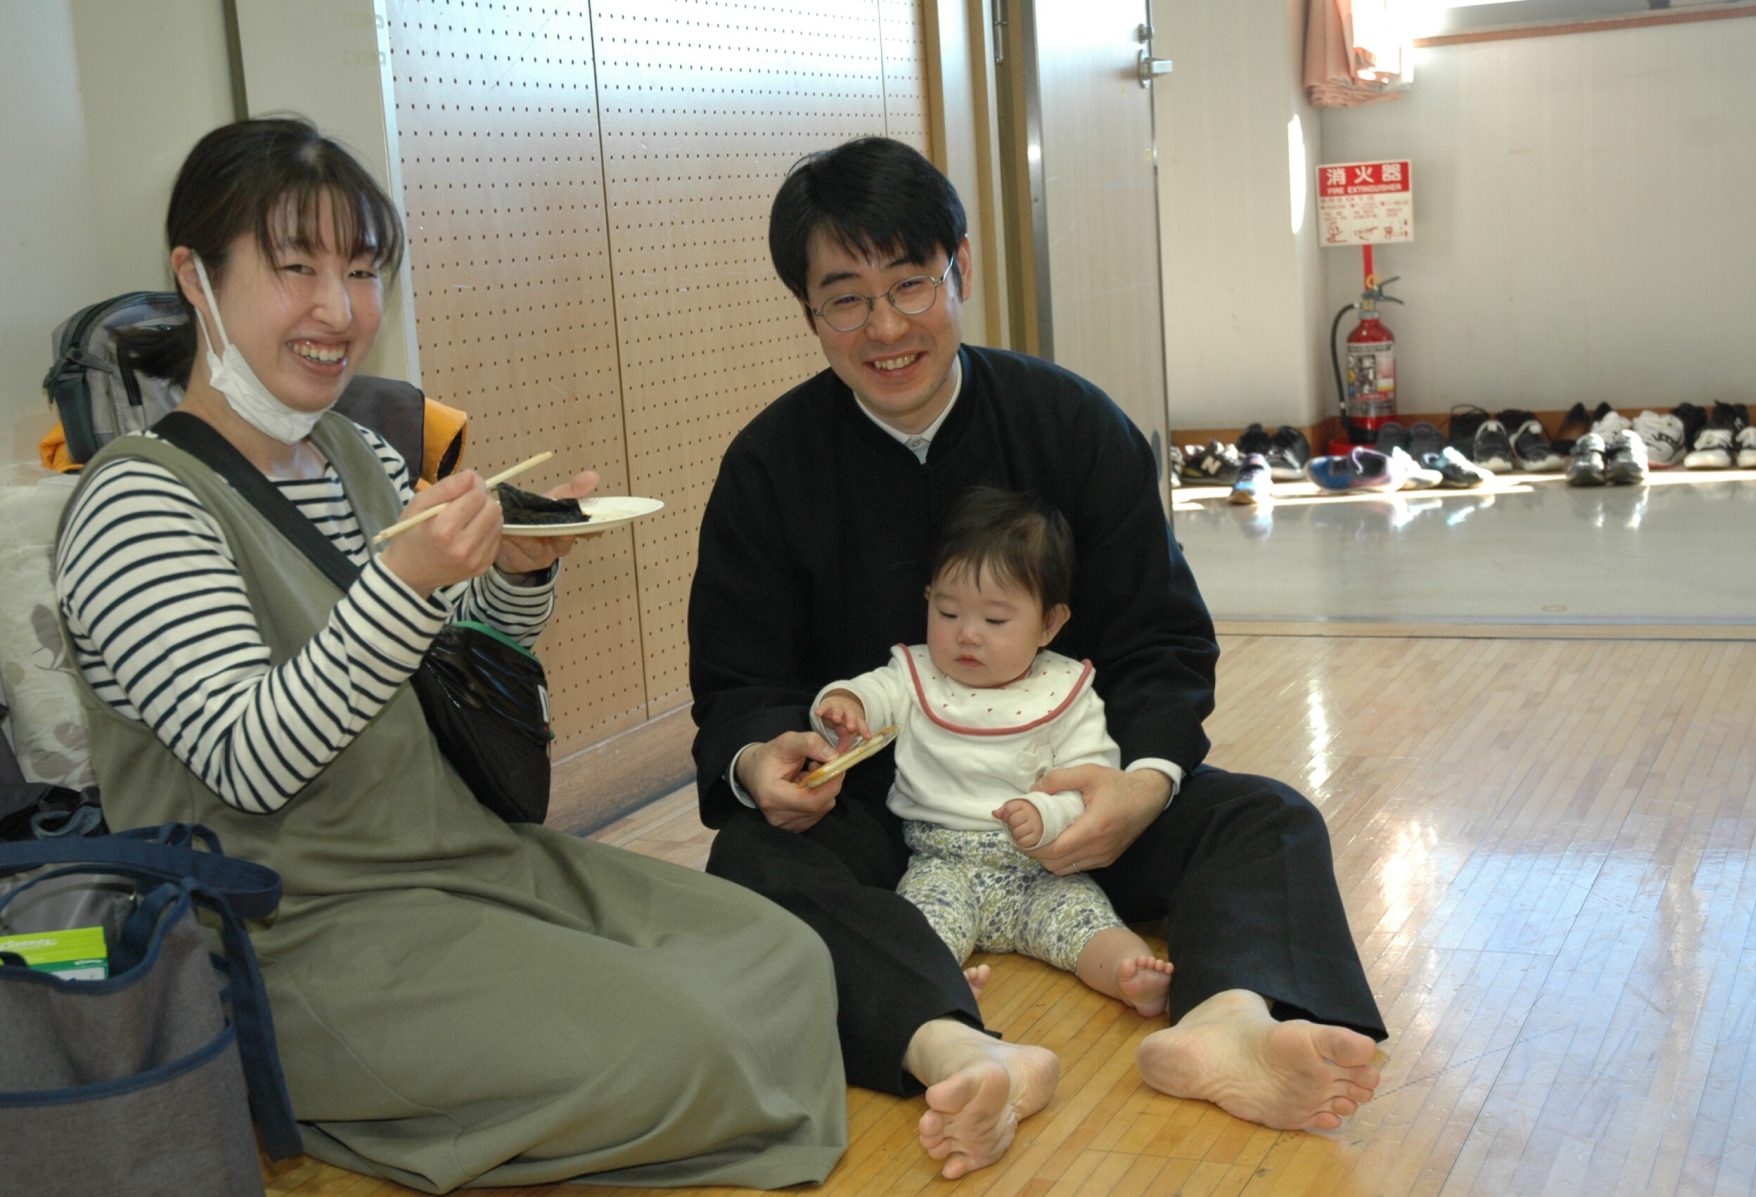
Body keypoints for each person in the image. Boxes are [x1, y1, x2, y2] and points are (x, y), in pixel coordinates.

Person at [54, 117, 847, 1195]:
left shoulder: (355, 450)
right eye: (296, 269)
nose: (340, 310)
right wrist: (404, 584)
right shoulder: (137, 502)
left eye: (361, 270)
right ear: (197, 277)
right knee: (690, 1041)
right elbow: (252, 759)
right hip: (297, 931)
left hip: (464, 862)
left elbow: (454, 661)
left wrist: (515, 568)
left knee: (787, 957)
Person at [688, 135, 1388, 1179]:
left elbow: (1160, 638)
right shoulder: (769, 466)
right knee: (752, 863)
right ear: (807, 311)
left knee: (1266, 818)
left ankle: (1230, 1024)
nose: (886, 327)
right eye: (846, 299)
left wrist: (1138, 788)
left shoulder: (1071, 425)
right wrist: (761, 762)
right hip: (885, 818)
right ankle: (957, 1049)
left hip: (1076, 804)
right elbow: (740, 681)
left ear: (960, 267)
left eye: (911, 283)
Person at [811, 485, 1175, 1017]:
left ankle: (1129, 974)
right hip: (941, 864)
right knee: (917, 927)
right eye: (947, 612)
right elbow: (873, 693)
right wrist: (845, 703)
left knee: (1087, 922)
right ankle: (939, 988)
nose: (967, 635)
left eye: (995, 621)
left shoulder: (1066, 690)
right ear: (928, 599)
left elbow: (1094, 782)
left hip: (1042, 869)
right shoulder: (914, 673)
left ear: (1049, 623)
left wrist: (1046, 815)